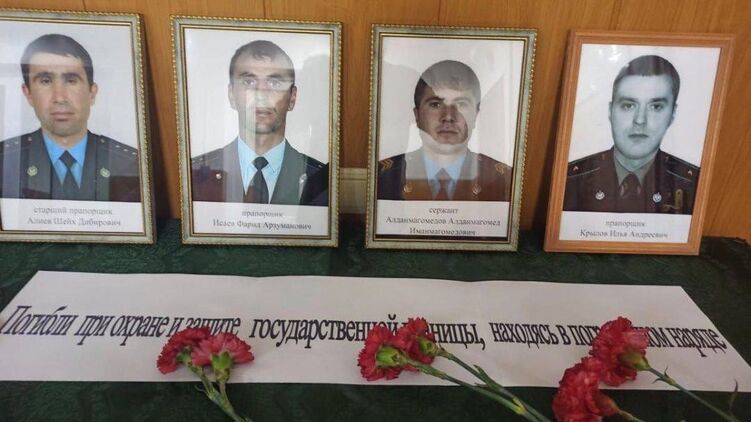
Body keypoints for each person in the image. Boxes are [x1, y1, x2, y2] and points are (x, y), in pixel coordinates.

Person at [0, 34, 141, 202]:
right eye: (45, 81)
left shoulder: (131, 164)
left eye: (71, 80)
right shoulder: (4, 161)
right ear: (28, 93)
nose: (60, 98)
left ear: (92, 92)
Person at [191, 40, 328, 206]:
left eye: (274, 83)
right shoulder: (196, 175)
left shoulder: (320, 180)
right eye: (249, 82)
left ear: (292, 98)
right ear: (232, 95)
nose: (261, 94)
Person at [564, 55, 698, 214]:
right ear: (610, 111)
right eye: (628, 106)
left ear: (673, 114)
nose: (640, 120)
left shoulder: (694, 185)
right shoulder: (568, 180)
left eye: (656, 107)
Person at [377, 60, 511, 201]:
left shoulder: (504, 180)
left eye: (461, 104)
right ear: (417, 115)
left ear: (476, 115)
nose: (448, 117)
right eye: (436, 104)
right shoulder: (383, 176)